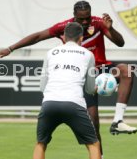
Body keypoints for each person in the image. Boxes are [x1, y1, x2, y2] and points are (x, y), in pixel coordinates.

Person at [0, 0, 137, 155]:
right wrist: (10, 48)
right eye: (80, 19)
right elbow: (38, 36)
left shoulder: (98, 23)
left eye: (87, 18)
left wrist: (111, 28)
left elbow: (120, 43)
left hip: (101, 69)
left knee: (126, 71)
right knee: (93, 121)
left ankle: (117, 121)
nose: (84, 21)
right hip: (82, 75)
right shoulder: (64, 28)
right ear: (74, 16)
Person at [33, 22, 101, 159]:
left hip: (49, 103)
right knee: (93, 144)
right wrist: (98, 89)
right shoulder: (88, 54)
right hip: (74, 103)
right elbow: (89, 89)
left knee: (41, 143)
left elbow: (42, 86)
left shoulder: (51, 52)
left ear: (64, 37)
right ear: (81, 38)